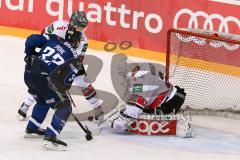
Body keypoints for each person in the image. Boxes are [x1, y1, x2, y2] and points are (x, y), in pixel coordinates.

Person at [17, 11, 104, 122]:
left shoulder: (83, 41)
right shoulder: (58, 26)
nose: (81, 30)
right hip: (52, 53)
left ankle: (97, 107)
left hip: (66, 61)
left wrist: (65, 80)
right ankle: (26, 105)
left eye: (83, 28)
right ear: (71, 22)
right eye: (78, 26)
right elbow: (42, 35)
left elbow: (75, 61)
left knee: (82, 81)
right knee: (42, 77)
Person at [24, 23, 88, 150]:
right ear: (76, 43)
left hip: (29, 73)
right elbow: (66, 83)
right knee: (64, 105)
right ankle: (51, 138)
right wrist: (62, 89)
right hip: (44, 80)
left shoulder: (53, 38)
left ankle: (32, 127)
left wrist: (29, 55)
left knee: (43, 99)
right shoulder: (75, 58)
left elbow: (31, 39)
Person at [110, 63, 193, 137]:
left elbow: (130, 114)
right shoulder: (144, 66)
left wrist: (116, 122)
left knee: (141, 115)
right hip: (176, 94)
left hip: (169, 103)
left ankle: (177, 126)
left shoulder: (140, 84)